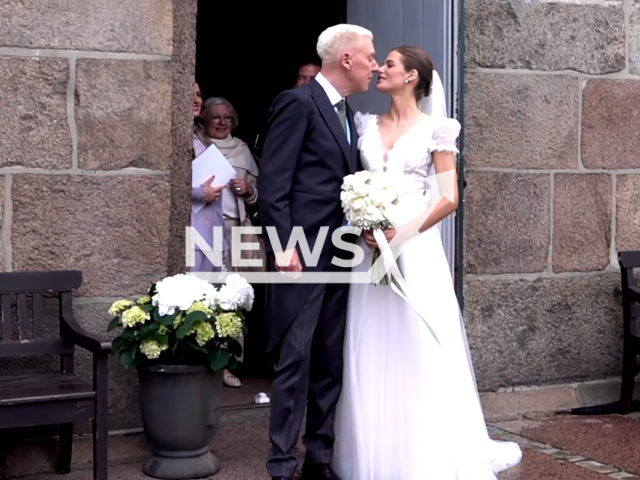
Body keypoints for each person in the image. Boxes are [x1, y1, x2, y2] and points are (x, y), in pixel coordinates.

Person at [330, 46, 523, 479]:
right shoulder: (364, 125)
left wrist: (401, 233)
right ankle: (372, 449)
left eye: (391, 64)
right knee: (369, 341)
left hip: (414, 250)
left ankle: (423, 453)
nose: (380, 68)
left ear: (412, 77)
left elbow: (449, 197)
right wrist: (364, 221)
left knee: (415, 342)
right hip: (369, 251)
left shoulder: (437, 130)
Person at [258, 24, 378, 480]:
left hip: (342, 252)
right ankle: (282, 463)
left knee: (330, 360)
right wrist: (284, 245)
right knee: (295, 359)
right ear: (345, 58)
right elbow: (274, 184)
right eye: (369, 55)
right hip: (302, 255)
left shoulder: (350, 113)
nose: (374, 63)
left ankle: (320, 456)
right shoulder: (298, 102)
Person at [191, 82, 227, 273]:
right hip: (193, 231)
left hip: (212, 227)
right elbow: (166, 186)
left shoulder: (200, 136)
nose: (196, 100)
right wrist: (201, 192)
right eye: (191, 95)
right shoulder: (176, 136)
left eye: (198, 95)